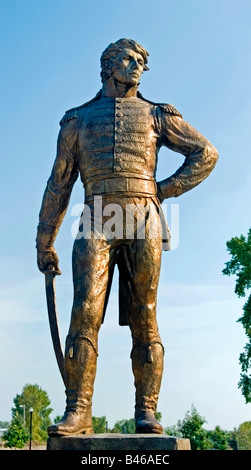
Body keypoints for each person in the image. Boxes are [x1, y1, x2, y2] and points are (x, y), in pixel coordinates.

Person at [36, 38, 218, 436]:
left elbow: (206, 153)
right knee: (84, 311)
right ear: (107, 65)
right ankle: (78, 410)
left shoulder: (157, 115)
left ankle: (146, 411)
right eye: (128, 59)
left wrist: (162, 189)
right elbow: (59, 183)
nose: (136, 66)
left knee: (145, 314)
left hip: (143, 217)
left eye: (141, 62)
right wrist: (44, 240)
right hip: (95, 216)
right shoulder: (77, 120)